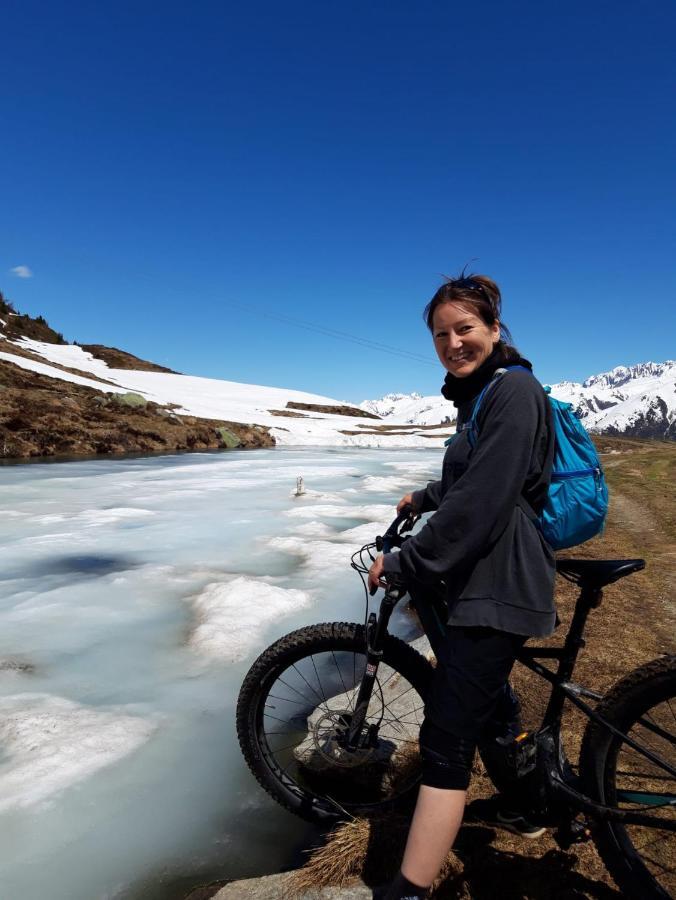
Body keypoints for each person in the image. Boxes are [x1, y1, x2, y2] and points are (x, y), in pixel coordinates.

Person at [367, 273, 556, 900]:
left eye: (465, 329)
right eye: (442, 334)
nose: (453, 342)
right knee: (487, 703)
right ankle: (532, 803)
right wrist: (424, 497)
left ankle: (411, 889)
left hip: (500, 579)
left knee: (447, 742)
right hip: (488, 573)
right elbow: (472, 479)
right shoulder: (484, 396)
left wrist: (407, 562)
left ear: (494, 330)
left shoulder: (515, 390)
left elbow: (483, 500)